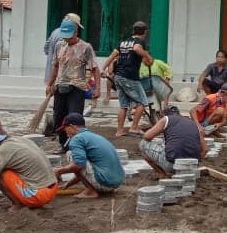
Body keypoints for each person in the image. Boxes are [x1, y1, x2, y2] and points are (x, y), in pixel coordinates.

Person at [0, 129, 57, 212]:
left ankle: (18, 204)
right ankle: (26, 200)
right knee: (8, 167)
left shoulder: (0, 153)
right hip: (53, 189)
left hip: (38, 196)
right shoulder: (18, 140)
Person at [46, 19, 99, 150]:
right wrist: (50, 84)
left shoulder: (85, 47)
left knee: (74, 119)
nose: (67, 39)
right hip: (60, 86)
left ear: (76, 32)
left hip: (76, 88)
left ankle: (77, 145)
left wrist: (97, 88)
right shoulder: (59, 45)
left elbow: (95, 68)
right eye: (65, 36)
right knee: (59, 118)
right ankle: (63, 145)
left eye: (70, 36)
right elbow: (56, 66)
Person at [53, 113, 125, 199]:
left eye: (65, 129)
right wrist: (68, 184)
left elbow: (79, 166)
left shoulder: (77, 139)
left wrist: (59, 171)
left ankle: (90, 191)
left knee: (71, 155)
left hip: (104, 184)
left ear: (72, 126)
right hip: (115, 184)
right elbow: (84, 172)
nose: (66, 132)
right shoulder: (95, 136)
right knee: (81, 160)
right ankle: (93, 188)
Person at [101, 21, 153, 137]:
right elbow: (136, 49)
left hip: (118, 76)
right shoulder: (140, 42)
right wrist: (148, 56)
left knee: (123, 105)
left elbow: (112, 56)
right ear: (144, 32)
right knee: (142, 103)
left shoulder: (123, 42)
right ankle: (134, 128)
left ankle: (119, 130)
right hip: (130, 77)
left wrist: (103, 68)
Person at [140, 106, 208, 178]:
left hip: (171, 165)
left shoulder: (166, 119)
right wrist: (194, 163)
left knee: (143, 143)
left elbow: (146, 136)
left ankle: (162, 174)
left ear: (164, 115)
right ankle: (186, 169)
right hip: (192, 166)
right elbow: (205, 149)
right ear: (179, 114)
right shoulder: (193, 124)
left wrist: (160, 129)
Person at [43, 13, 82, 84]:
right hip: (60, 75)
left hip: (52, 72)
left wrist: (51, 55)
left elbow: (46, 48)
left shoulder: (55, 31)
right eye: (76, 25)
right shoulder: (66, 36)